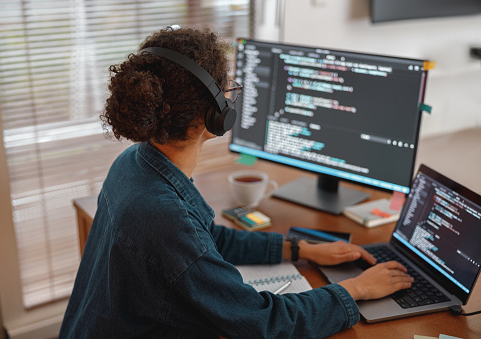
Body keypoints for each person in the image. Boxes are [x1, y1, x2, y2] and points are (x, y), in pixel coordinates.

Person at [59, 26, 413, 339]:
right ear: (213, 114)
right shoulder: (163, 216)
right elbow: (262, 324)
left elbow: (205, 241)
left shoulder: (135, 164)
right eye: (227, 88)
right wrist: (357, 289)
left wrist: (301, 249)